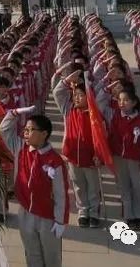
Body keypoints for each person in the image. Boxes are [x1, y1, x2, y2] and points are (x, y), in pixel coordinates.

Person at [0, 108, 69, 267]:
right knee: (32, 254)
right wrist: (13, 114)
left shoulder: (54, 161)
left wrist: (60, 221)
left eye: (30, 130)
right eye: (25, 130)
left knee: (51, 256)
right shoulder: (20, 149)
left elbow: (61, 194)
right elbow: (3, 129)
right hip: (25, 212)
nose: (26, 133)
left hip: (47, 216)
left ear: (44, 134)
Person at [53, 74, 101, 228]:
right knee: (78, 185)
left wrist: (99, 155)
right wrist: (68, 79)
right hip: (73, 156)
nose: (77, 98)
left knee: (93, 186)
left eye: (81, 95)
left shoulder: (95, 115)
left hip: (91, 157)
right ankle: (83, 211)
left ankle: (94, 212)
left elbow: (102, 138)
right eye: (75, 96)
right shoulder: (69, 111)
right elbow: (57, 92)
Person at [101, 89, 140, 232]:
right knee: (124, 187)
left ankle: (139, 216)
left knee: (137, 187)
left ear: (134, 102)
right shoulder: (115, 118)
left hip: (134, 160)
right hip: (119, 158)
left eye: (125, 100)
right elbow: (110, 136)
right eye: (119, 100)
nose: (122, 103)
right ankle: (129, 216)